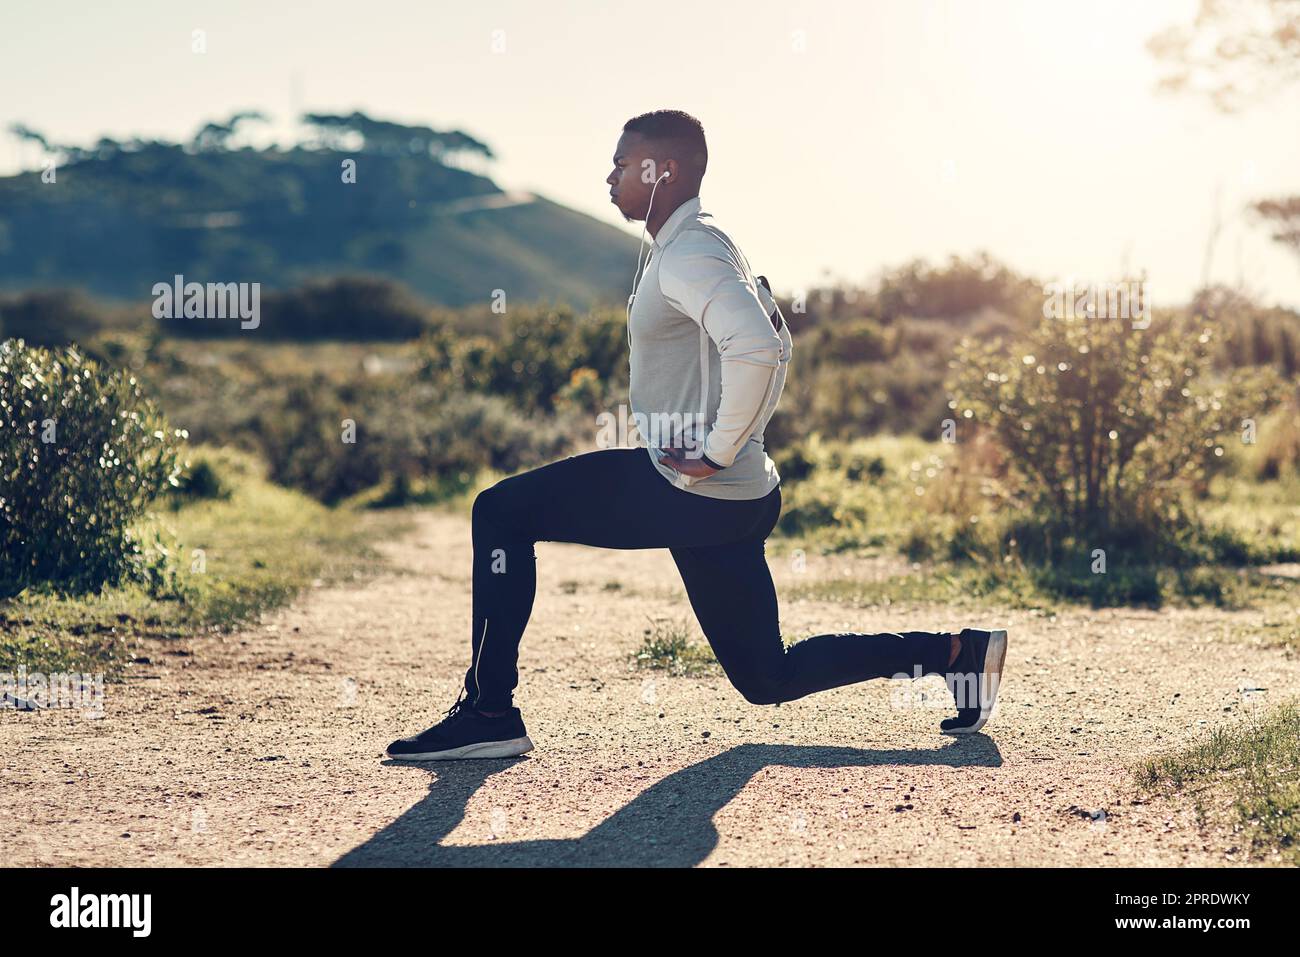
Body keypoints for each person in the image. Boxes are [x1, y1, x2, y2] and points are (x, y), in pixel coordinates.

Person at [387, 110, 1007, 761]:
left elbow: (760, 348)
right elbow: (776, 344)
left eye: (622, 164)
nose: (610, 176)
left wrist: (716, 450)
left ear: (662, 170)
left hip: (688, 487)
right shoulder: (702, 245)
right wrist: (736, 449)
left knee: (501, 512)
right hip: (728, 499)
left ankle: (489, 710)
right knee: (769, 678)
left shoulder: (692, 253)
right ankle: (959, 653)